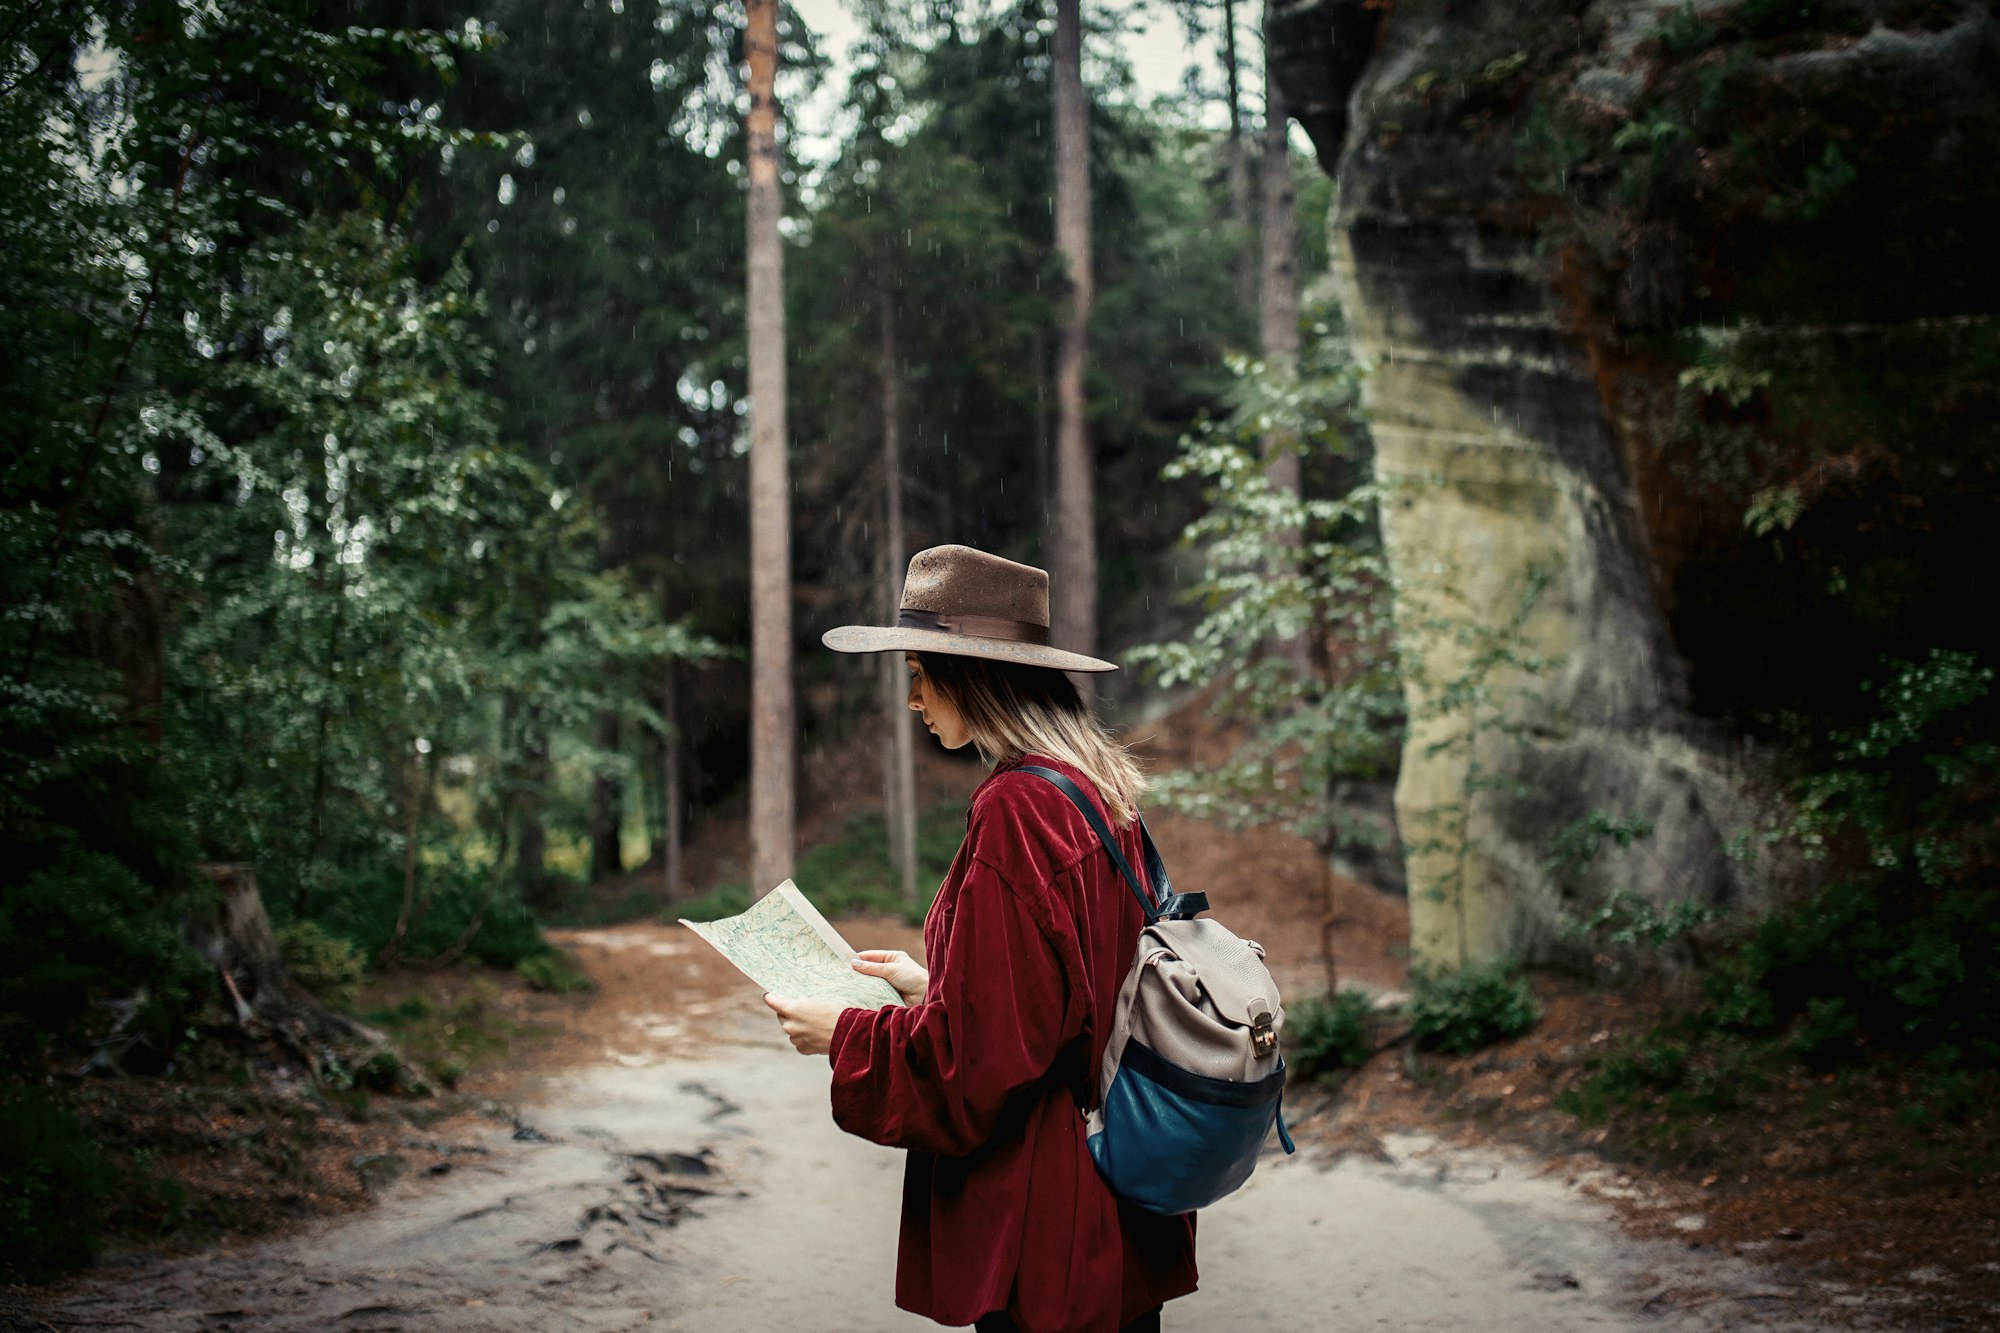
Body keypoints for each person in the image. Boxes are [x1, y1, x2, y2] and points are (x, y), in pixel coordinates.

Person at [763, 544, 1197, 1333]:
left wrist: (848, 1035)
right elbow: (1070, 994)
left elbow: (976, 1069)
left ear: (971, 676)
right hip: (1120, 1190)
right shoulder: (1093, 793)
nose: (914, 700)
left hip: (1051, 1215)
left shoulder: (1016, 811)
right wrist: (937, 985)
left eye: (921, 675)